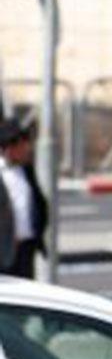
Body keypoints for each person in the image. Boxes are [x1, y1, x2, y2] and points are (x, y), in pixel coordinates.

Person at [0, 117, 46, 279]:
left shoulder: (26, 170)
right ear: (9, 148)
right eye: (22, 145)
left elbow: (38, 202)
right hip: (4, 253)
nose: (28, 149)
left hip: (26, 250)